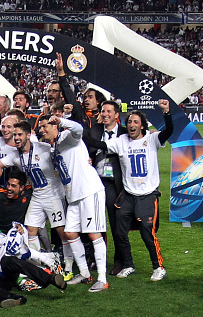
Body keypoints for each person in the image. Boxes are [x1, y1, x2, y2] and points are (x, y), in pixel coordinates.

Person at [86, 100, 172, 281]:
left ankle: (158, 266)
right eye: (129, 122)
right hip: (127, 195)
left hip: (147, 195)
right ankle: (128, 264)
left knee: (146, 231)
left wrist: (166, 112)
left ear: (142, 125)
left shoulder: (151, 139)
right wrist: (80, 133)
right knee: (119, 232)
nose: (132, 125)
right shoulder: (121, 141)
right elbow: (99, 145)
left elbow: (169, 131)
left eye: (135, 122)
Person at [36, 114, 108, 292]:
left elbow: (79, 130)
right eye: (41, 127)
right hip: (74, 195)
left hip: (90, 191)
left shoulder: (69, 138)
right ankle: (84, 273)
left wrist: (62, 121)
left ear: (55, 126)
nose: (42, 130)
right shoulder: (54, 148)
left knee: (93, 234)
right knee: (70, 233)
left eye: (46, 126)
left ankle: (102, 278)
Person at [0, 121, 69, 253]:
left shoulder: (44, 148)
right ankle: (38, 260)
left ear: (28, 135)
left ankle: (69, 264)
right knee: (31, 230)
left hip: (54, 196)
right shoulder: (14, 155)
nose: (16, 138)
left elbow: (63, 157)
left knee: (62, 232)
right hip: (37, 195)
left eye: (20, 134)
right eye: (15, 135)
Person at [83, 100, 127, 275]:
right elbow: (87, 149)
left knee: (117, 226)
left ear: (117, 115)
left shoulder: (125, 133)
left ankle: (119, 261)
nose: (105, 114)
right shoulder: (95, 131)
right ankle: (97, 258)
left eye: (109, 111)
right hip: (96, 182)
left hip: (115, 184)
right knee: (96, 224)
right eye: (103, 111)